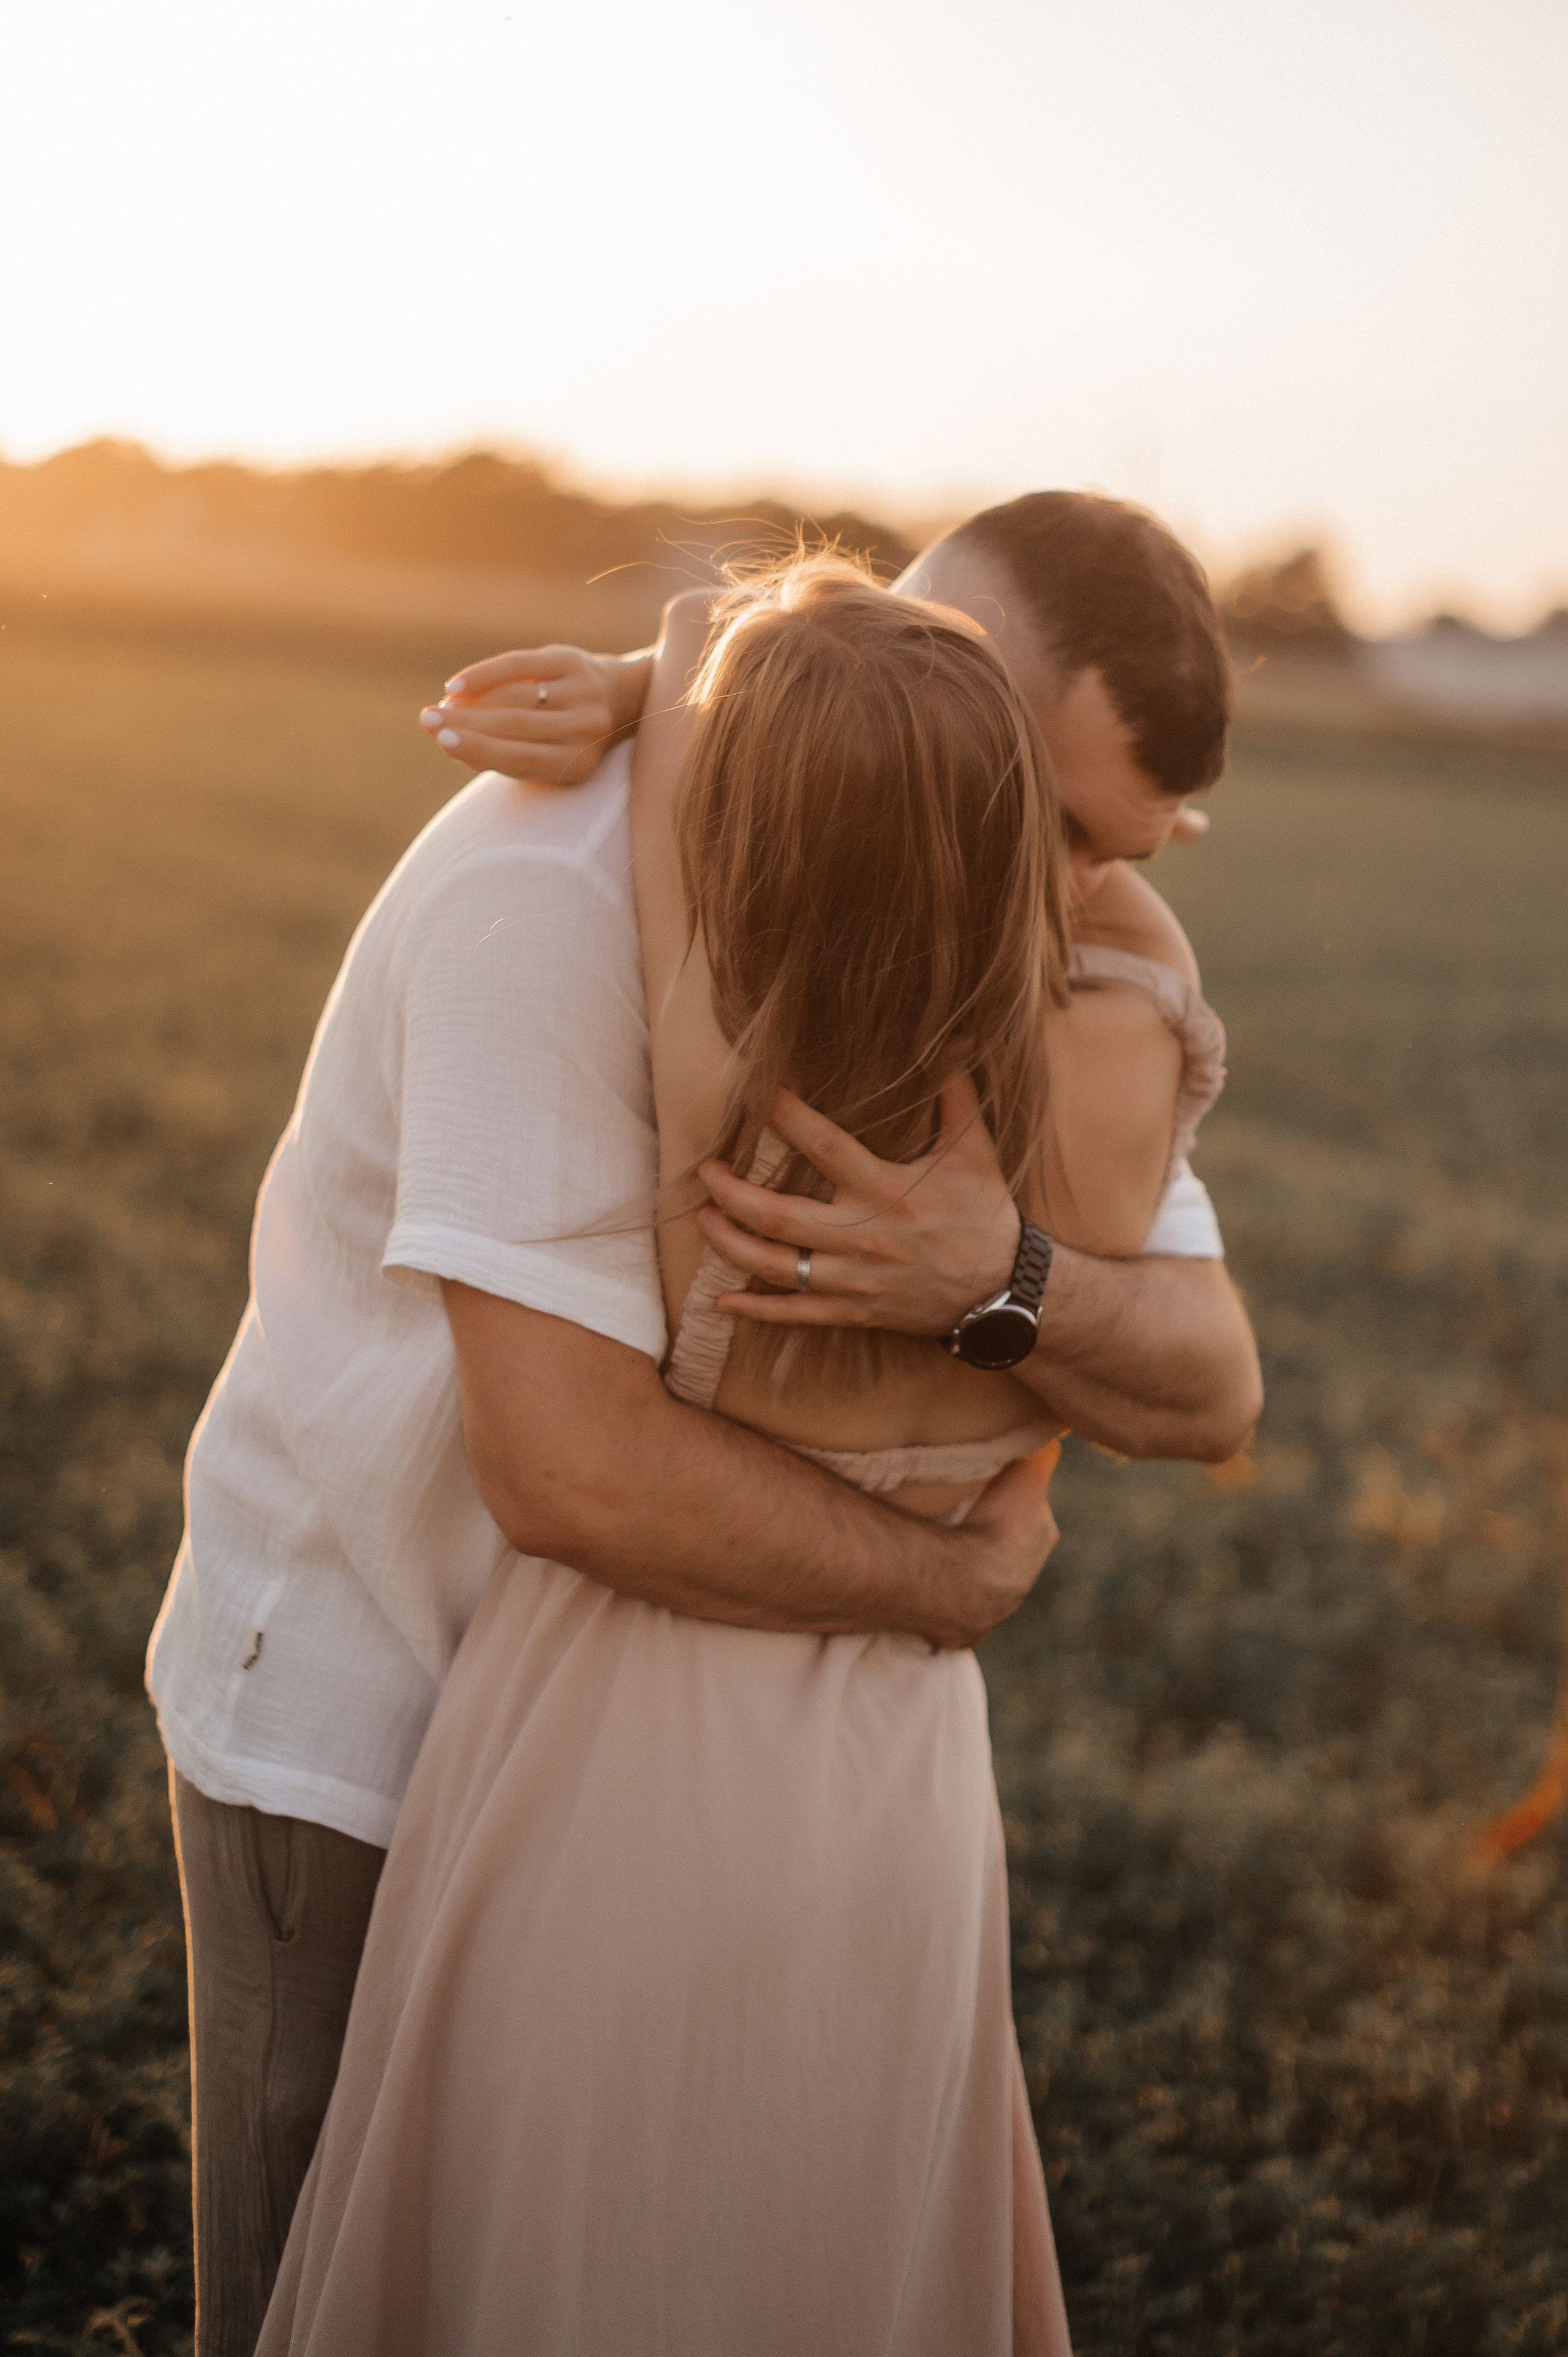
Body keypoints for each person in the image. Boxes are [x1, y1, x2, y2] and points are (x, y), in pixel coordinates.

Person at [148, 494, 1259, 2353]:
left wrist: (1000, 1276)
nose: (1074, 905)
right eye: (1057, 826)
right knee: (350, 2295)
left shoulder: (970, 934)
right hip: (374, 1719)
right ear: (930, 687)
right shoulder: (552, 888)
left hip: (669, 1754)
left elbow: (1207, 1374)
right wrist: (943, 1582)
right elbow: (573, 1467)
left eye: (1124, 859)